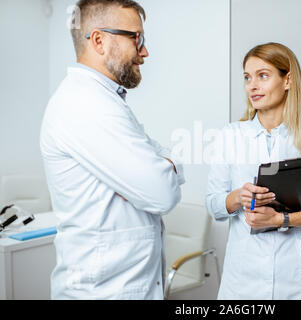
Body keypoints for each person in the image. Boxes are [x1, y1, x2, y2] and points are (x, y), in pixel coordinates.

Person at [40, 0, 185, 299]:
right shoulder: (85, 105)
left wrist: (160, 167)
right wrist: (158, 170)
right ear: (98, 40)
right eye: (137, 38)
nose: (144, 51)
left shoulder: (106, 102)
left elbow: (164, 163)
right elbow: (162, 192)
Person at [205, 42, 301, 299]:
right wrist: (238, 197)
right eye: (247, 78)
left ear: (288, 80)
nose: (252, 85)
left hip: (296, 277)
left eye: (263, 76)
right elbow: (213, 204)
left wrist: (283, 220)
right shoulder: (231, 135)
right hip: (243, 280)